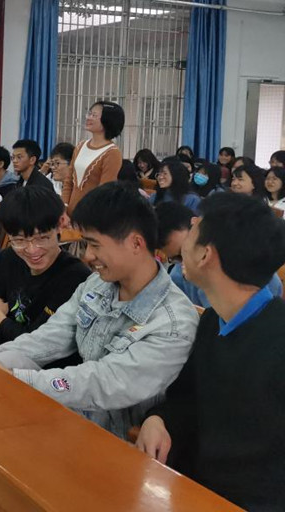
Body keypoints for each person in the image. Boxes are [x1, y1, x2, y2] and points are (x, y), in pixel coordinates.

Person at [0, 182, 199, 440]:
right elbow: (49, 336)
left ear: (136, 243)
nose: (87, 256)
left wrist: (22, 379)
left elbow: (105, 382)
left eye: (94, 245)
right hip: (73, 416)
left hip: (118, 439)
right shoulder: (97, 284)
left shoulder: (173, 322)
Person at [136, 192, 285, 510]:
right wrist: (159, 419)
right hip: (191, 488)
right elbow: (188, 398)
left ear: (206, 255)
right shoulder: (213, 320)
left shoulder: (277, 339)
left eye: (195, 226)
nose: (189, 225)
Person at [0, 186, 90, 348]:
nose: (32, 250)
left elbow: (39, 345)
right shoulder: (8, 258)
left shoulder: (74, 277)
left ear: (59, 226)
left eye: (42, 238)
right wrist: (13, 332)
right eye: (19, 240)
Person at [155, 201, 282, 307]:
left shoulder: (253, 267)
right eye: (178, 257)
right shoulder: (179, 276)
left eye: (189, 245)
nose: (187, 259)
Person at [62, 101, 125, 214]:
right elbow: (68, 181)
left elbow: (104, 192)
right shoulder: (80, 146)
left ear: (107, 120)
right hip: (69, 214)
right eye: (89, 113)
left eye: (94, 115)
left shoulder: (112, 153)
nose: (88, 117)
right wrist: (64, 207)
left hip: (91, 215)